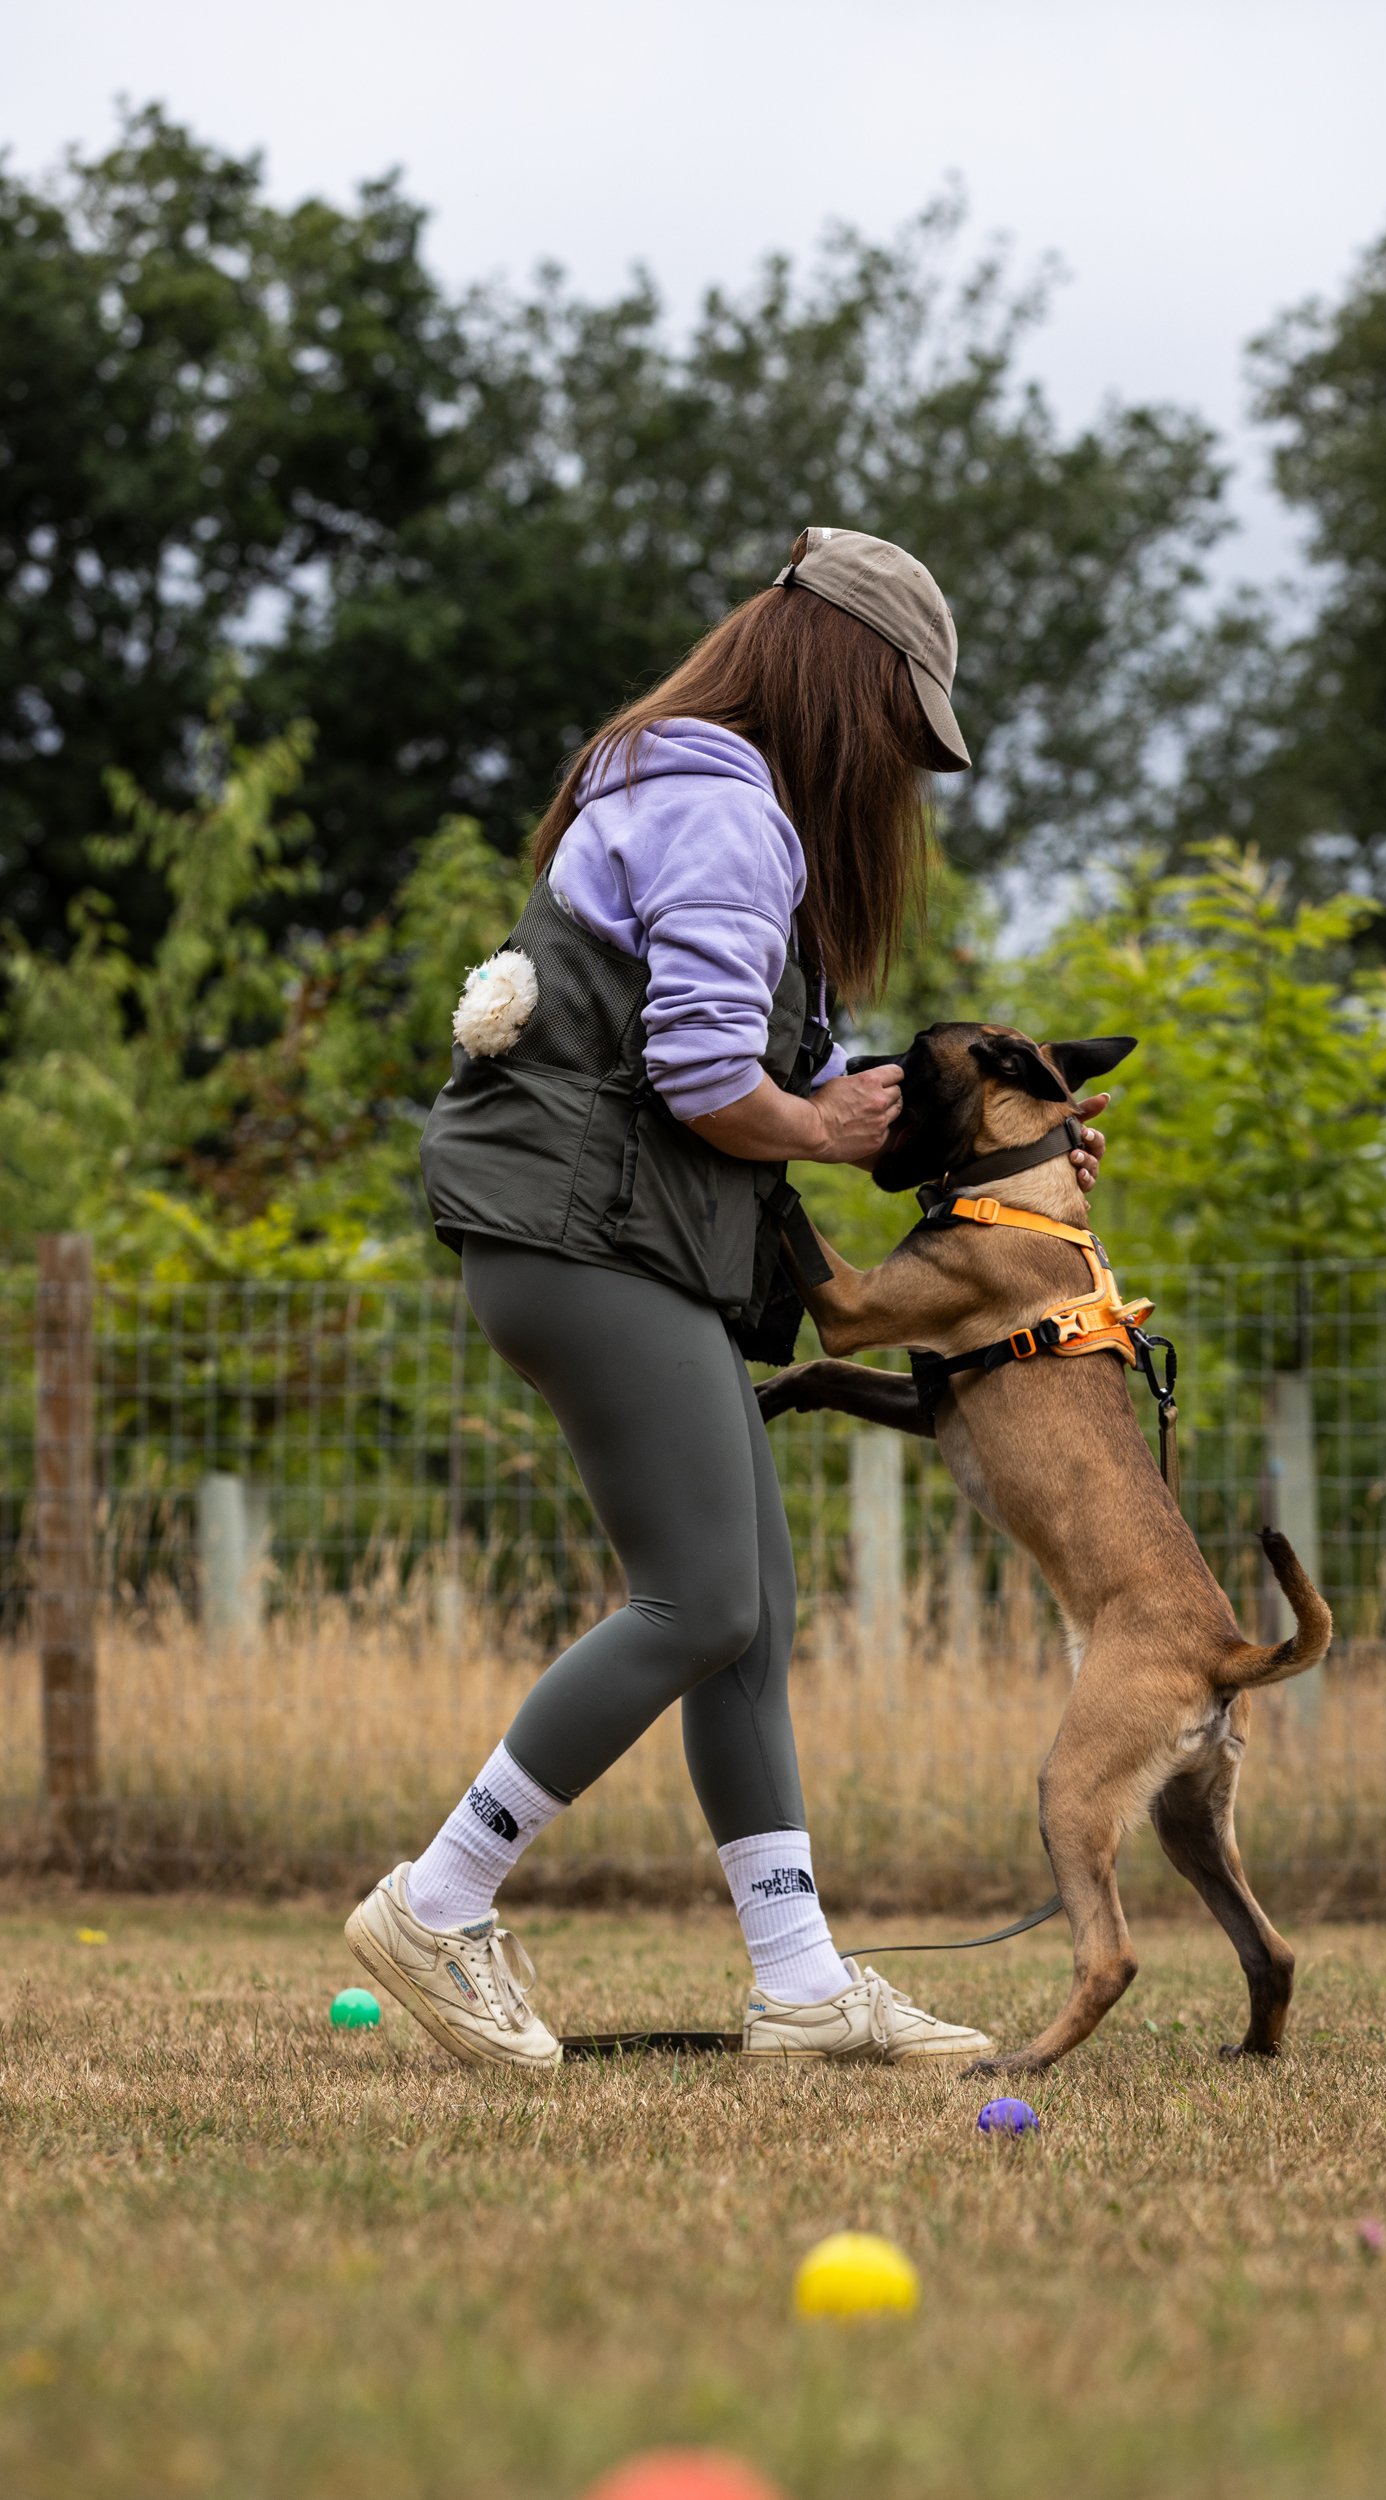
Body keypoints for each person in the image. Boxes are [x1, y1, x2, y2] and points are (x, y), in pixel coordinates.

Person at [345, 527, 1105, 2068]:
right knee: (697, 1602)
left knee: (746, 1615)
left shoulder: (686, 794)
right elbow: (706, 1078)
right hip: (583, 1238)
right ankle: (439, 1900)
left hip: (611, 1236)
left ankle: (803, 1982)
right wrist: (817, 1126)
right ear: (847, 684)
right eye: (902, 730)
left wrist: (988, 1129)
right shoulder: (720, 810)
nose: (898, 772)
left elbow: (783, 1061)